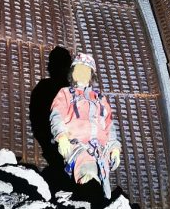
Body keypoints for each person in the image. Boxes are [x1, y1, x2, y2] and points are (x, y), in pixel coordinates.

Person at [49, 52, 122, 198]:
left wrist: (115, 148)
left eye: (86, 70)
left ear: (91, 76)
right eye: (78, 69)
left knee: (104, 185)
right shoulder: (65, 94)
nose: (82, 73)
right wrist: (61, 137)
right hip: (77, 146)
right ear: (72, 73)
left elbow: (109, 126)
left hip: (101, 151)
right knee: (88, 175)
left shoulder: (100, 99)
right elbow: (56, 115)